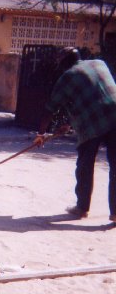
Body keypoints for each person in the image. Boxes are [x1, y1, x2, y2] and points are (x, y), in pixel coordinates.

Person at [35, 47, 116, 224]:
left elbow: (50, 109)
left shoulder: (67, 77)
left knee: (85, 165)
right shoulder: (99, 63)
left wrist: (41, 134)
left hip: (92, 123)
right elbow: (97, 96)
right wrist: (69, 123)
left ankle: (82, 208)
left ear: (64, 63)